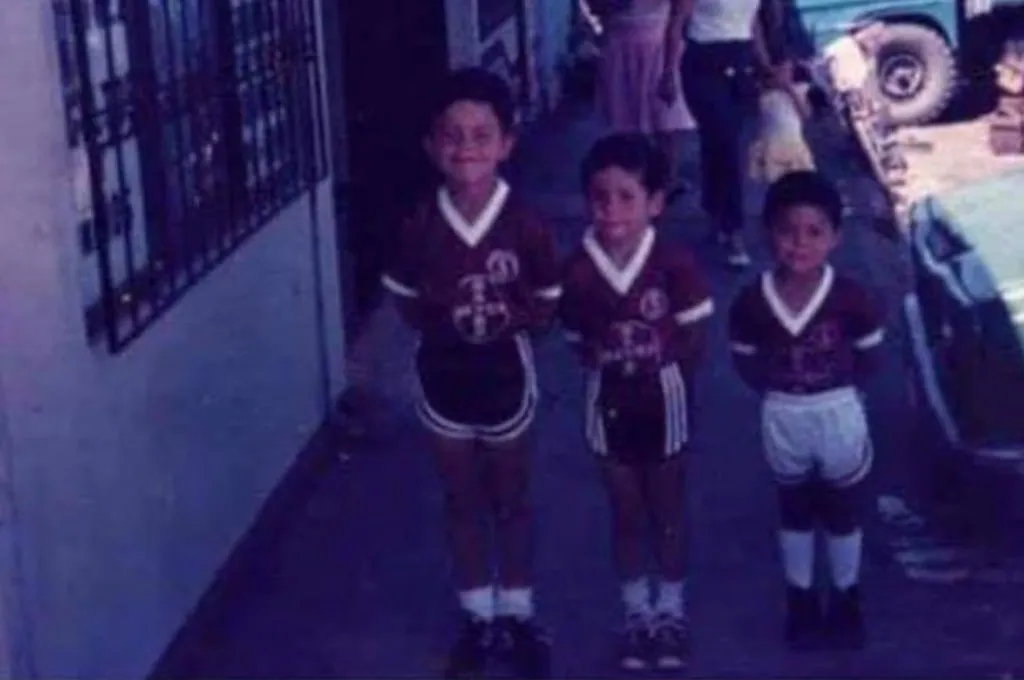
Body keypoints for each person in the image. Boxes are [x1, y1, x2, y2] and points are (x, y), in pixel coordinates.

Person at [380, 67, 561, 679]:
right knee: (460, 499)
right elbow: (405, 299)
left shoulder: (526, 224)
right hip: (442, 375)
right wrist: (446, 323)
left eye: (481, 135)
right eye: (452, 136)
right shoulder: (420, 225)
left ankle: (517, 611)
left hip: (505, 373)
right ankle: (477, 618)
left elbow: (546, 301)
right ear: (432, 146)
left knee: (511, 498)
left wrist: (500, 322)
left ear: (507, 143)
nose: (466, 148)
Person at [560, 134, 713, 670]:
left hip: (663, 398)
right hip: (607, 401)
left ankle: (671, 612)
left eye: (627, 197)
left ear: (655, 202)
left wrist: (661, 368)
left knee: (666, 509)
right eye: (601, 197)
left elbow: (694, 333)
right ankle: (635, 615)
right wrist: (612, 360)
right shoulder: (578, 268)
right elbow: (576, 338)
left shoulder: (673, 262)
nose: (612, 210)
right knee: (625, 511)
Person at [727, 171, 885, 650]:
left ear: (835, 237)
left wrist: (839, 391)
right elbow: (745, 358)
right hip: (784, 414)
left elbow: (869, 354)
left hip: (837, 410)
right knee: (794, 507)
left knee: (841, 508)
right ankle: (800, 600)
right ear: (769, 233)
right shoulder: (753, 300)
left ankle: (846, 597)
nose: (800, 243)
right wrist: (780, 390)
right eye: (787, 231)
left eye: (814, 231)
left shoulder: (850, 296)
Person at [658, 0, 791, 268]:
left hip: (740, 62)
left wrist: (764, 64)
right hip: (703, 63)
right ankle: (734, 228)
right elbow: (676, 23)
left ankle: (713, 205)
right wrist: (668, 72)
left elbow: (752, 24)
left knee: (720, 140)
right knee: (726, 139)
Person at [592, 0, 696, 199]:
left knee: (665, 120)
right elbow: (596, 8)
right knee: (627, 120)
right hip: (622, 45)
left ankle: (667, 180)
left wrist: (669, 69)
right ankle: (632, 176)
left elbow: (681, 17)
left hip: (658, 46)